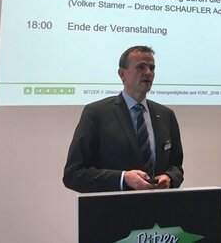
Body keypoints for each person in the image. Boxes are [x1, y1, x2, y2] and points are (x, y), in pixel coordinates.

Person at [63, 46, 184, 193]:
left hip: (159, 205)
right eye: (141, 67)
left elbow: (176, 167)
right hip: (115, 206)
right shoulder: (96, 113)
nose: (148, 72)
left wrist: (169, 178)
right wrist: (123, 178)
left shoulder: (166, 115)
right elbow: (73, 174)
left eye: (152, 68)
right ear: (122, 74)